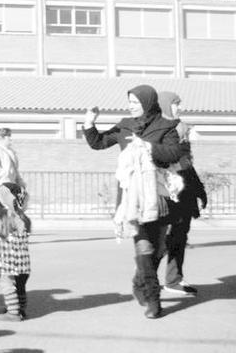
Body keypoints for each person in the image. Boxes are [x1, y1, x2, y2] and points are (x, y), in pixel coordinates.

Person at [83, 85, 186, 319]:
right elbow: (98, 142)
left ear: (148, 103)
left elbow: (173, 153)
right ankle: (153, 299)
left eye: (135, 102)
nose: (131, 106)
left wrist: (149, 148)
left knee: (158, 249)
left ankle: (140, 280)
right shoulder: (125, 126)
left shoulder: (166, 126)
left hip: (158, 197)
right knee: (144, 247)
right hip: (132, 198)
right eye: (129, 102)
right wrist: (89, 123)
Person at [157, 91, 208, 296]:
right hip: (165, 191)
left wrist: (200, 190)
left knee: (179, 238)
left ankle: (173, 280)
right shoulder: (156, 129)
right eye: (175, 104)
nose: (178, 107)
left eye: (179, 104)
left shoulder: (182, 127)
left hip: (184, 189)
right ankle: (146, 279)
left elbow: (187, 165)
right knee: (159, 240)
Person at [0, 182, 32, 322]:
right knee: (20, 285)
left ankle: (13, 312)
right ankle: (20, 308)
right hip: (23, 263)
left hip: (6, 262)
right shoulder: (24, 219)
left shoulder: (0, 219)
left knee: (6, 284)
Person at [0, 126, 25, 211]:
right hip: (0, 185)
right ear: (1, 137)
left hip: (11, 185)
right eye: (8, 136)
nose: (11, 139)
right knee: (5, 211)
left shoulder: (9, 151)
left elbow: (14, 169)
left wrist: (20, 181)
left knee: (15, 209)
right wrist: (6, 176)